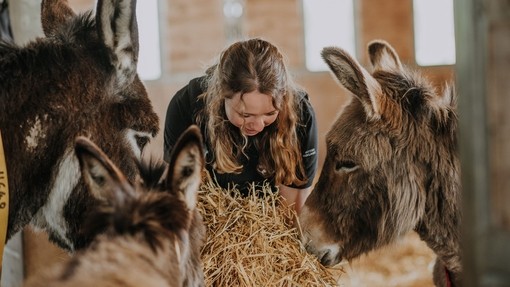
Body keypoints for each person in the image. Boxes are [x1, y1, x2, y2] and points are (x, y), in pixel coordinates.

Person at [163, 38, 318, 214]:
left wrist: (283, 236)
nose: (258, 125)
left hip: (271, 211)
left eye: (269, 114)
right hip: (213, 211)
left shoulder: (300, 113)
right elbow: (178, 188)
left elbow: (295, 196)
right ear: (222, 95)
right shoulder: (187, 105)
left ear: (283, 97)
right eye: (245, 115)